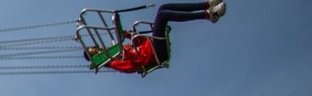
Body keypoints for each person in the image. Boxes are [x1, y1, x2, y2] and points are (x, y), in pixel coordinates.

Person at [86, 1, 227, 74]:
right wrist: (128, 49)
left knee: (162, 8)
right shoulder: (116, 61)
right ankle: (208, 15)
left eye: (97, 48)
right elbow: (132, 67)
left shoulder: (119, 50)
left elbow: (138, 44)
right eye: (96, 52)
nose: (100, 49)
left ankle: (207, 5)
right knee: (163, 16)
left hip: (152, 47)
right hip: (156, 54)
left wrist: (131, 36)